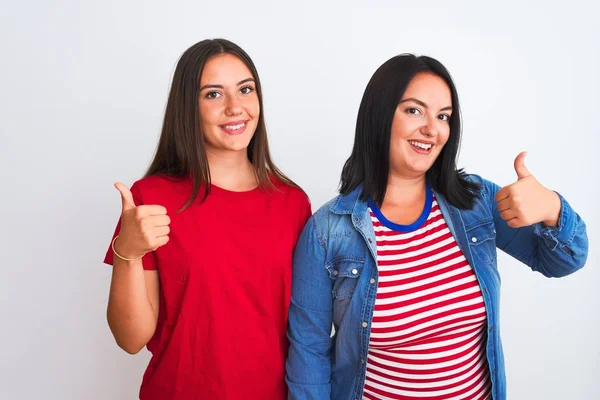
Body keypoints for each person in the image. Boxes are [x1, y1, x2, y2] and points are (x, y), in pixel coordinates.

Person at [285, 54, 588, 400]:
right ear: (380, 115)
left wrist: (554, 208)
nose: (432, 129)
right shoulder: (328, 231)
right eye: (414, 111)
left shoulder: (475, 203)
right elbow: (309, 353)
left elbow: (564, 262)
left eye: (443, 116)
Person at [104, 38, 311, 400]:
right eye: (213, 94)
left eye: (245, 90)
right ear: (189, 107)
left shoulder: (292, 203)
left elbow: (307, 329)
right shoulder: (151, 199)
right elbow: (130, 339)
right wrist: (128, 251)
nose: (235, 107)